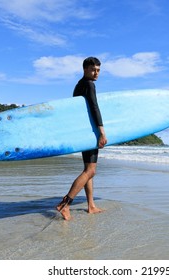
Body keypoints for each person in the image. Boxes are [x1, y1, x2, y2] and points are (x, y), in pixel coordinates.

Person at [56, 57, 108, 220]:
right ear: (85, 69)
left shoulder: (79, 85)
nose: (96, 73)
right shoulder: (89, 85)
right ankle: (66, 203)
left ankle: (91, 205)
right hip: (91, 132)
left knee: (88, 170)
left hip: (83, 132)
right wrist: (102, 132)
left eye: (98, 70)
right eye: (93, 70)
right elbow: (94, 107)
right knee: (90, 170)